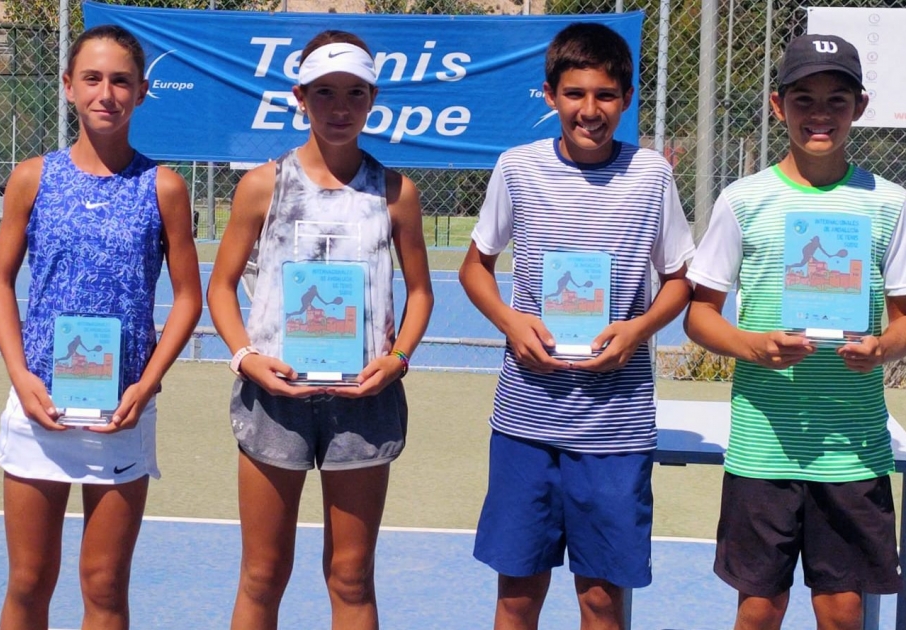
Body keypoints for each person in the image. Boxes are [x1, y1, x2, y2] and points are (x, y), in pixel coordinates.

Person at [458, 22, 695, 630]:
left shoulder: (652, 175)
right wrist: (513, 323)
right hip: (525, 422)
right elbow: (475, 269)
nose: (590, 110)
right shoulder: (517, 168)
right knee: (517, 595)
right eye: (574, 93)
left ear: (627, 98)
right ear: (549, 95)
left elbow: (680, 281)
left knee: (600, 599)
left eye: (605, 95)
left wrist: (636, 330)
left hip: (616, 430)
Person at [206, 30, 433, 630]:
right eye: (325, 92)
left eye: (354, 93)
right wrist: (245, 358)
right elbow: (220, 287)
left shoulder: (396, 193)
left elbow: (421, 293)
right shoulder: (262, 186)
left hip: (365, 399)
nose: (340, 107)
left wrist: (400, 357)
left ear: (372, 99)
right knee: (261, 574)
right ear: (299, 97)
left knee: (352, 576)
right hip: (273, 401)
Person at [0, 24, 202, 630]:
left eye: (121, 80)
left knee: (104, 586)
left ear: (141, 92)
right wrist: (20, 375)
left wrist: (148, 382)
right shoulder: (32, 177)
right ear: (68, 88)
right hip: (39, 406)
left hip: (121, 411)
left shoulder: (164, 187)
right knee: (28, 582)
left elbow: (189, 297)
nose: (107, 92)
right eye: (93, 79)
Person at [684, 34, 906, 630]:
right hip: (764, 446)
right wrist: (754, 345)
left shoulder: (890, 203)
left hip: (851, 450)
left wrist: (883, 347)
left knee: (842, 611)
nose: (820, 114)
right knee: (759, 608)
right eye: (804, 98)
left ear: (860, 107)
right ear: (779, 105)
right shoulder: (743, 199)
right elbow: (699, 314)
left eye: (837, 100)